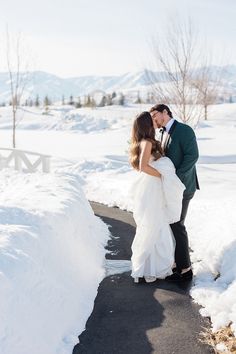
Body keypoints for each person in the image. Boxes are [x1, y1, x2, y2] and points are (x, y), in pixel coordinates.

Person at [129, 112, 185, 283]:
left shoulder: (146, 141)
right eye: (151, 119)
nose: (155, 121)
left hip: (152, 187)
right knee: (154, 225)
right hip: (152, 187)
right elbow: (144, 166)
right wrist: (162, 175)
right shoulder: (146, 142)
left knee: (156, 225)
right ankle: (149, 268)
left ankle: (152, 266)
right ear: (147, 124)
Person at [150, 104, 199, 281]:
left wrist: (175, 178)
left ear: (165, 112)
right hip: (171, 188)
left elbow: (192, 156)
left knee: (177, 224)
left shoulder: (184, 130)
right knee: (173, 223)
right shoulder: (162, 133)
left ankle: (186, 269)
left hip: (183, 186)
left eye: (155, 115)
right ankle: (178, 265)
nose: (154, 119)